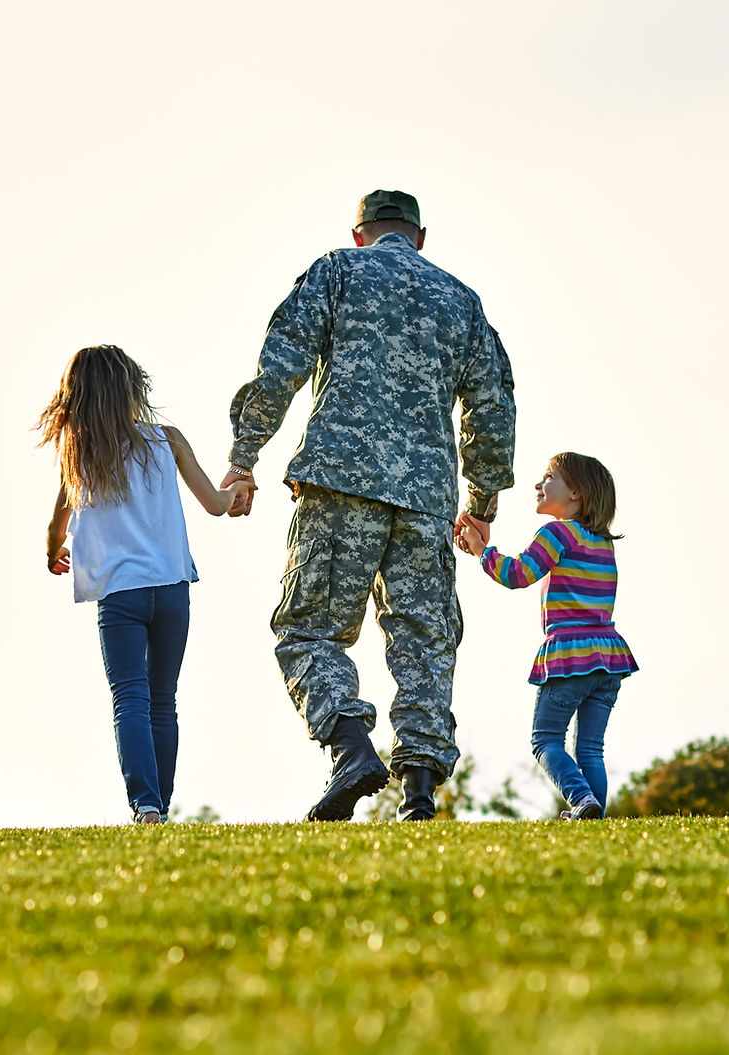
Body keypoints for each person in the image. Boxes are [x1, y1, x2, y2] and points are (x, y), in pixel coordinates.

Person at [221, 190, 516, 822]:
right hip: (426, 498)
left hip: (339, 481)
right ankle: (418, 791)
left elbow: (280, 366)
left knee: (307, 630)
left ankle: (351, 749)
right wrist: (482, 501)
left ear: (360, 234)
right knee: (424, 641)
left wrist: (244, 457)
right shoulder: (460, 302)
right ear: (420, 238)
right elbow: (492, 406)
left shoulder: (336, 270)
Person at [38, 345, 249, 824]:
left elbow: (55, 528)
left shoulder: (81, 459)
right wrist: (237, 491)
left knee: (129, 696)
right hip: (173, 588)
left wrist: (54, 555)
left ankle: (147, 806)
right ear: (134, 390)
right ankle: (161, 805)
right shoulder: (167, 440)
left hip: (120, 596)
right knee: (162, 700)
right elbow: (216, 505)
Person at [456, 452, 638, 819]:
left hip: (571, 656)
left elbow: (517, 574)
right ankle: (594, 816)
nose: (539, 485)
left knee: (546, 740)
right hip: (609, 656)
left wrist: (481, 551)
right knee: (590, 748)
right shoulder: (603, 543)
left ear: (576, 493)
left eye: (549, 477)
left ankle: (580, 800)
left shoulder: (557, 533)